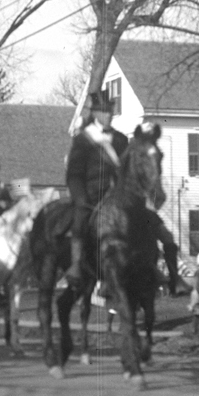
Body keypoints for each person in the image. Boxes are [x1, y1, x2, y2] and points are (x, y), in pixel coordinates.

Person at [64, 90, 129, 281]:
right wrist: (80, 197)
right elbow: (73, 173)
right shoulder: (83, 140)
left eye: (109, 111)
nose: (108, 114)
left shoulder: (121, 140)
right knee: (81, 217)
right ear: (95, 114)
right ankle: (76, 265)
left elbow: (126, 169)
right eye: (103, 111)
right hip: (91, 193)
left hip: (116, 193)